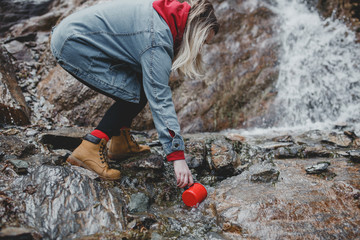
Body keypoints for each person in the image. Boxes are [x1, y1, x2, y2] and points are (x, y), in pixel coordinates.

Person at [50, 0, 219, 188]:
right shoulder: (158, 38)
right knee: (137, 93)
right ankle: (90, 147)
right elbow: (160, 98)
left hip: (72, 35)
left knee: (138, 85)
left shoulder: (166, 16)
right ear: (195, 33)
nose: (201, 48)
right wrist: (177, 156)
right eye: (203, 42)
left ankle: (121, 143)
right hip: (74, 45)